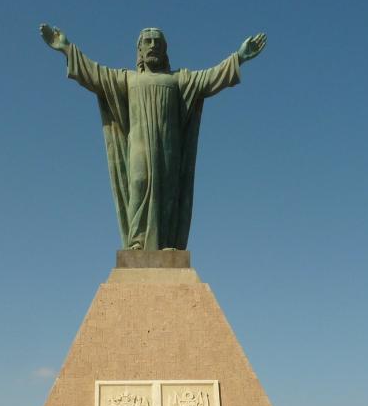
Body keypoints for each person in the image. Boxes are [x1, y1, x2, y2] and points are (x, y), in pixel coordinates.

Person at [40, 25, 266, 250]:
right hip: (138, 147)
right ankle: (138, 242)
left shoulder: (179, 80)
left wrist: (239, 57)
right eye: (147, 41)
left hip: (170, 147)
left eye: (157, 42)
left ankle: (166, 242)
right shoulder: (126, 79)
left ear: (165, 49)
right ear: (139, 49)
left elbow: (210, 78)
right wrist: (67, 48)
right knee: (138, 184)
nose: (153, 45)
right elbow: (94, 73)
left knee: (168, 191)